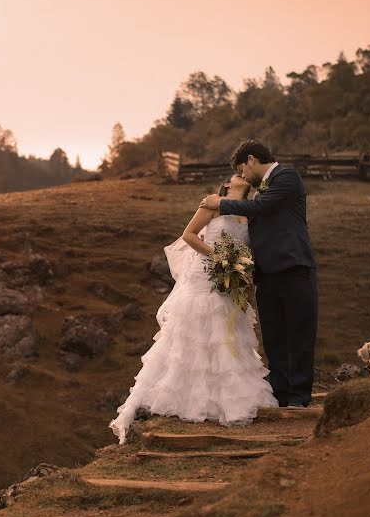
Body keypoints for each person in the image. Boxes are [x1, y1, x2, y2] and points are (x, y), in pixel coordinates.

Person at [109, 174, 277, 444]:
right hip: (204, 274)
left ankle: (227, 401)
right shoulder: (212, 204)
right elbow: (188, 235)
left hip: (228, 282)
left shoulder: (249, 214)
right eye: (236, 174)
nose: (242, 175)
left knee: (225, 335)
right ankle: (185, 400)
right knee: (195, 331)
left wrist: (240, 267)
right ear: (226, 184)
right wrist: (218, 256)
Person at [200, 140, 318, 408]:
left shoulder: (286, 176)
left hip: (294, 269)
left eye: (242, 169)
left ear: (252, 159)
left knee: (299, 335)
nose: (243, 176)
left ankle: (299, 398)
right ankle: (280, 395)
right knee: (274, 338)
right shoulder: (259, 194)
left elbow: (260, 209)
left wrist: (219, 201)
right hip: (266, 276)